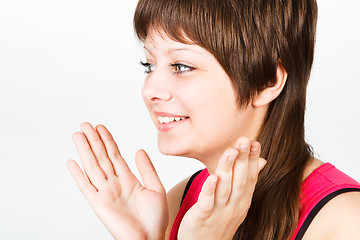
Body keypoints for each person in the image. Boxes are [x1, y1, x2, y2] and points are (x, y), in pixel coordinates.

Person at [67, 0, 360, 239]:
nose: (149, 90)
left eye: (181, 66)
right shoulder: (178, 203)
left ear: (268, 80)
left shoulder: (344, 222)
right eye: (149, 65)